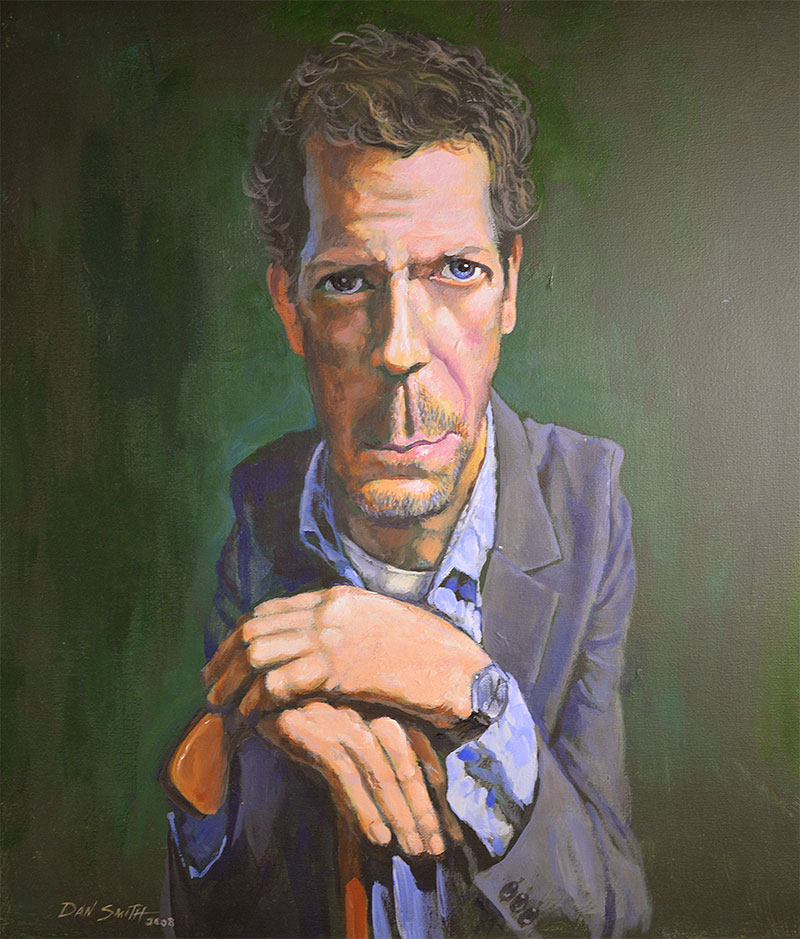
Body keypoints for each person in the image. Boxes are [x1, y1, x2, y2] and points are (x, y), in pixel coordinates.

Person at [161, 25, 651, 939]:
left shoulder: (590, 506)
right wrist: (249, 729)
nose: (399, 348)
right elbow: (214, 911)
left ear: (510, 286)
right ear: (290, 307)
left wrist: (465, 684)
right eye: (348, 281)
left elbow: (611, 911)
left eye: (457, 270)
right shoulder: (257, 512)